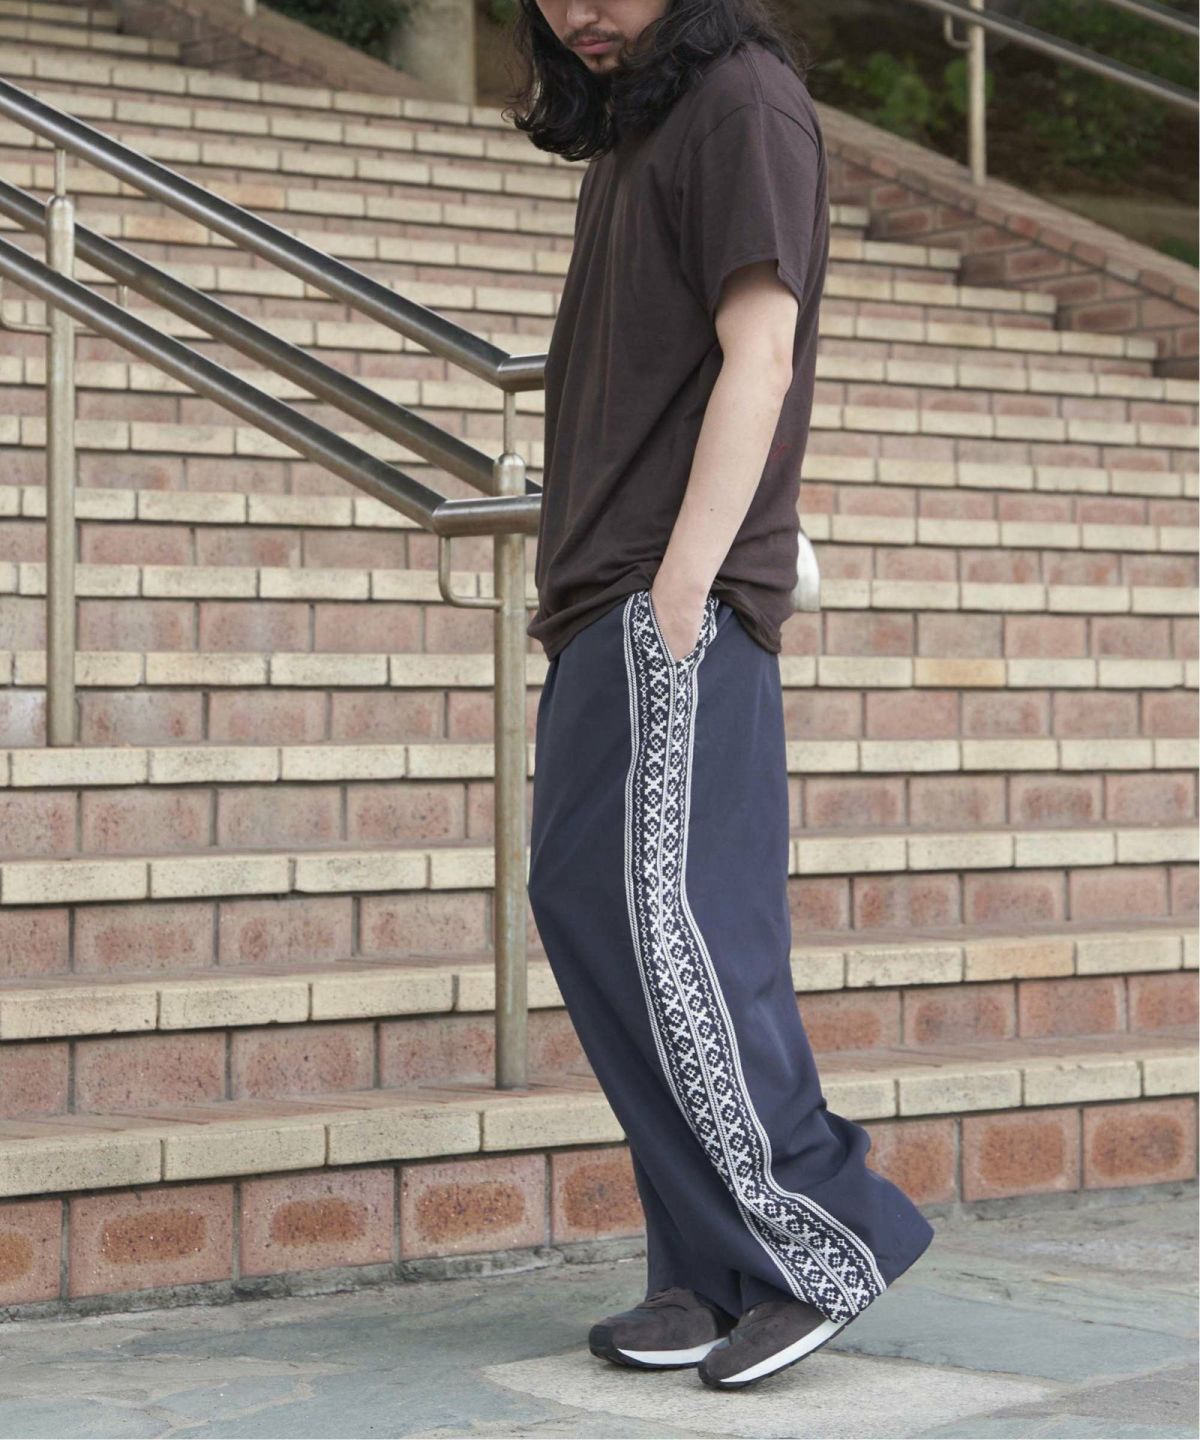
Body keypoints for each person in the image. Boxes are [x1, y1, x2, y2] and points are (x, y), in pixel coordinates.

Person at [508, 0, 935, 1393]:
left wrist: (687, 583)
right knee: (593, 908)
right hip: (602, 591)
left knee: (681, 922)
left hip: (664, 589)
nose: (578, 7)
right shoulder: (639, 123)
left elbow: (763, 349)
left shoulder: (741, 99)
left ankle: (822, 1238)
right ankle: (705, 1265)